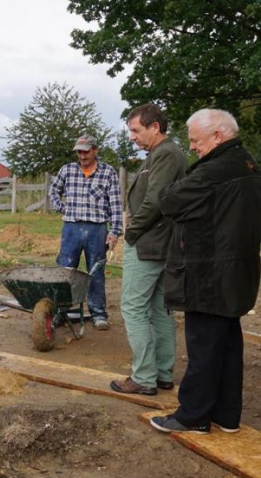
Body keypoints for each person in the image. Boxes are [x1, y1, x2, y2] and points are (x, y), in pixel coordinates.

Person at [150, 109, 261, 435]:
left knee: (203, 346)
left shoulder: (214, 171)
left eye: (196, 141)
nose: (193, 147)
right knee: (227, 343)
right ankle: (226, 415)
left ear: (218, 136)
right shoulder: (249, 165)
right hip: (238, 270)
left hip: (208, 271)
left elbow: (169, 200)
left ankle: (193, 416)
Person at [111, 104, 187, 396]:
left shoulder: (166, 153)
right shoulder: (161, 154)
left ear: (155, 127)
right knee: (159, 309)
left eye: (136, 130)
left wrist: (132, 231)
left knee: (133, 308)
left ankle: (143, 376)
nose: (132, 136)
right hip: (161, 243)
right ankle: (163, 374)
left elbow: (155, 200)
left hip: (150, 243)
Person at [48, 135, 122, 330]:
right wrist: (60, 207)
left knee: (95, 272)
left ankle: (98, 314)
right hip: (71, 228)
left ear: (95, 150)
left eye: (86, 151)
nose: (82, 155)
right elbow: (53, 191)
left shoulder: (108, 172)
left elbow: (115, 204)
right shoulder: (68, 170)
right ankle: (60, 312)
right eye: (79, 152)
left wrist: (114, 231)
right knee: (65, 272)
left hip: (97, 229)